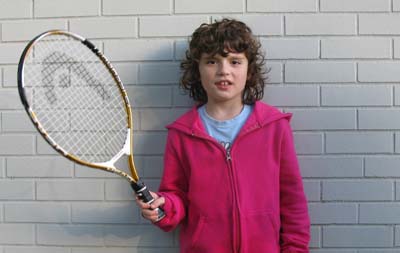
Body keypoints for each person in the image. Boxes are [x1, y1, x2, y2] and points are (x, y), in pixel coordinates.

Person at [136, 18, 310, 253]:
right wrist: (163, 207)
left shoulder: (274, 127)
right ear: (197, 70)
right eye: (212, 61)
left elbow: (293, 202)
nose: (223, 71)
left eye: (235, 61)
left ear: (249, 70)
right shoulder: (181, 134)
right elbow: (176, 196)